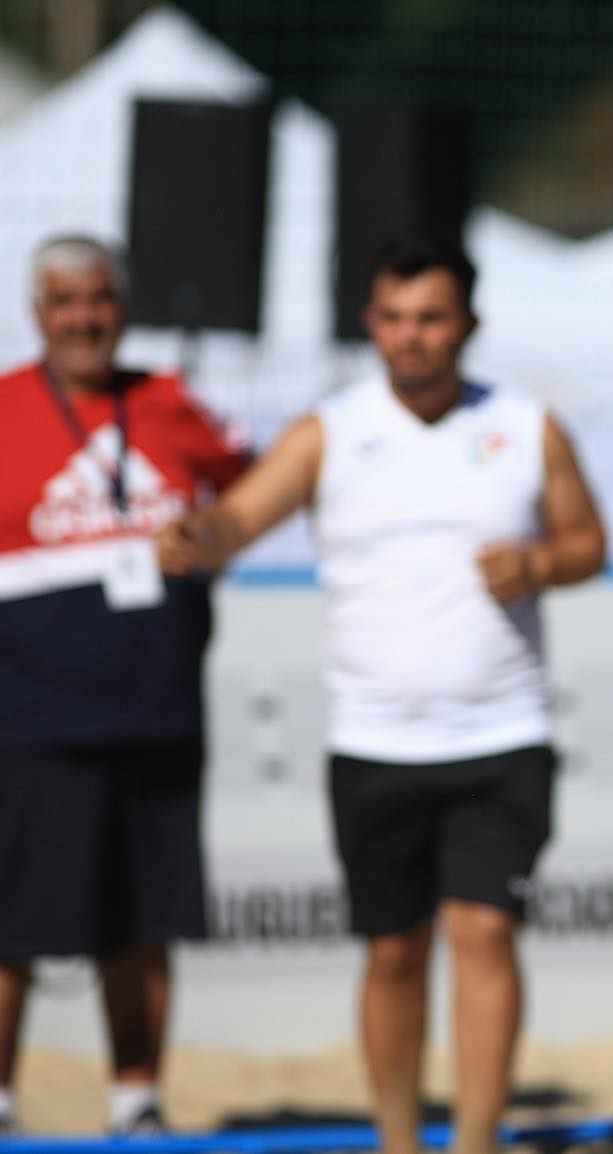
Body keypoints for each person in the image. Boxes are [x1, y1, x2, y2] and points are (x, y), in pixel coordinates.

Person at [157, 237, 606, 1154]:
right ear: (370, 324)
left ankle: (478, 1139)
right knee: (394, 950)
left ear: (468, 325)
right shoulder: (330, 430)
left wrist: (536, 564)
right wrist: (195, 537)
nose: (412, 337)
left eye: (431, 318)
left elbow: (588, 542)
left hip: (501, 731)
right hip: (373, 740)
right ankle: (398, 1140)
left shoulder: (526, 426)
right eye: (394, 318)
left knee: (484, 934)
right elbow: (239, 519)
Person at [0, 235, 250, 1135]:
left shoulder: (173, 402)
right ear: (37, 315)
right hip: (27, 720)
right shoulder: (3, 409)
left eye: (99, 297)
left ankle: (136, 1103)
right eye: (64, 300)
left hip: (156, 706)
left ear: (122, 306)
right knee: (12, 927)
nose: (83, 316)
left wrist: (211, 537)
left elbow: (249, 497)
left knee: (144, 920)